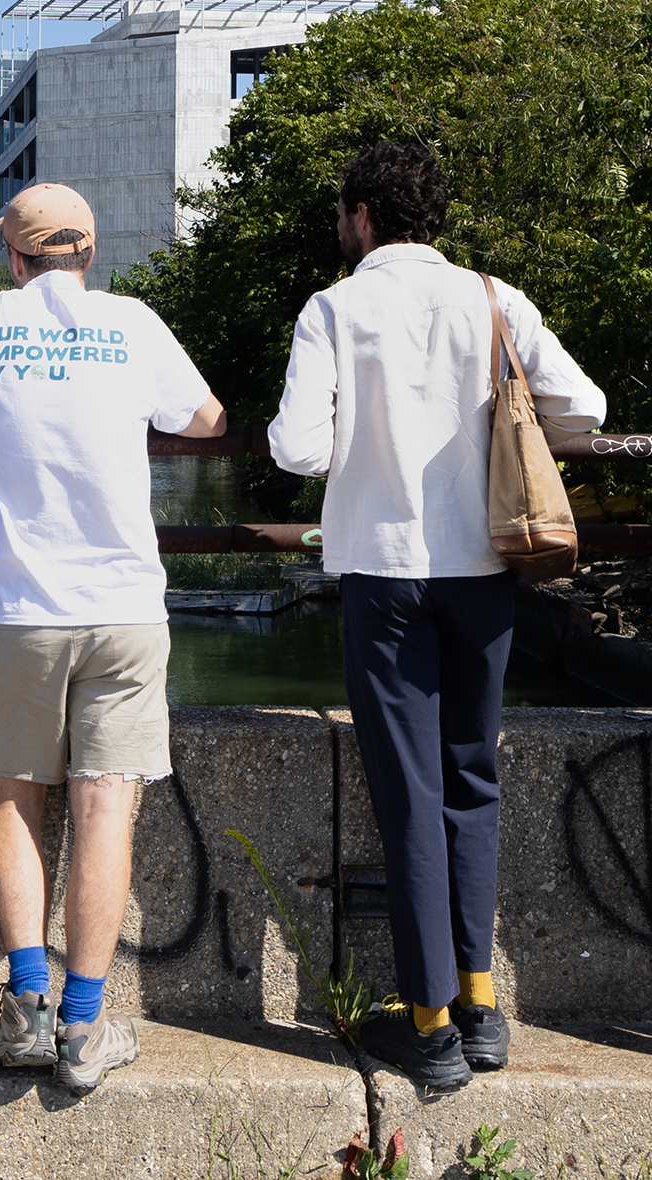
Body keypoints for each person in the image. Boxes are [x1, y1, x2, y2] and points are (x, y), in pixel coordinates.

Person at [0, 184, 228, 1094]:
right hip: (125, 609)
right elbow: (207, 420)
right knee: (107, 807)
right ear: (90, 251)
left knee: (12, 799)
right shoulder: (136, 323)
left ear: (17, 258)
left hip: (23, 610)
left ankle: (26, 1006)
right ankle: (84, 1024)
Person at [268, 143, 606, 1089]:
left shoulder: (333, 309)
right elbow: (585, 406)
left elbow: (296, 450)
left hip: (384, 574)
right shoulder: (494, 299)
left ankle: (426, 1026)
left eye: (343, 213)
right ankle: (482, 1005)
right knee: (474, 776)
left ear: (365, 216)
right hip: (485, 568)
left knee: (408, 789)